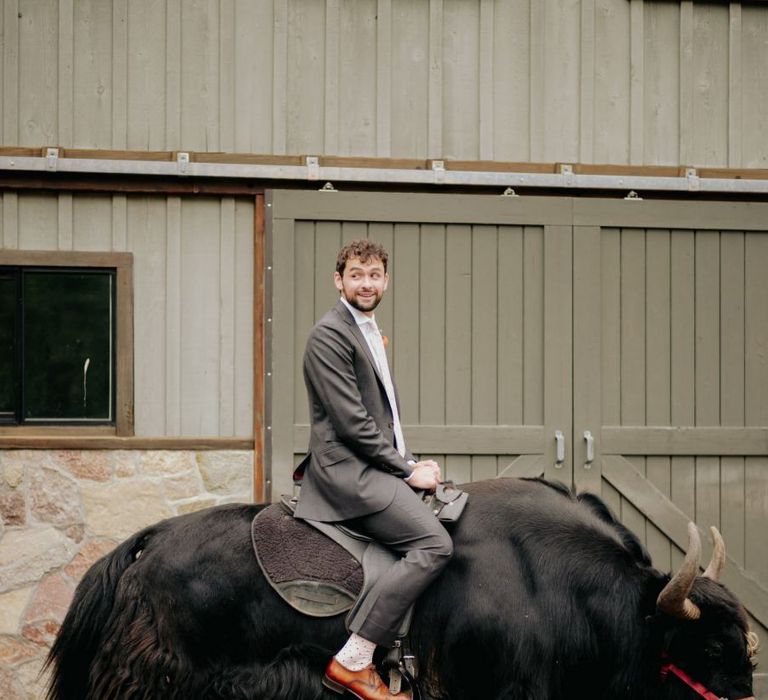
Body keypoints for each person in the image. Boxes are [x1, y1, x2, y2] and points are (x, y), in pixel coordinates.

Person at [294, 239, 453, 700]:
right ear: (338, 280)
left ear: (386, 280)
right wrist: (405, 471)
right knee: (435, 544)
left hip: (372, 465)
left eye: (375, 275)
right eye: (357, 275)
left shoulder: (366, 327)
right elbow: (351, 422)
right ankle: (355, 658)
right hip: (348, 474)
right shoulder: (329, 335)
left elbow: (384, 419)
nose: (367, 283)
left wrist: (410, 457)